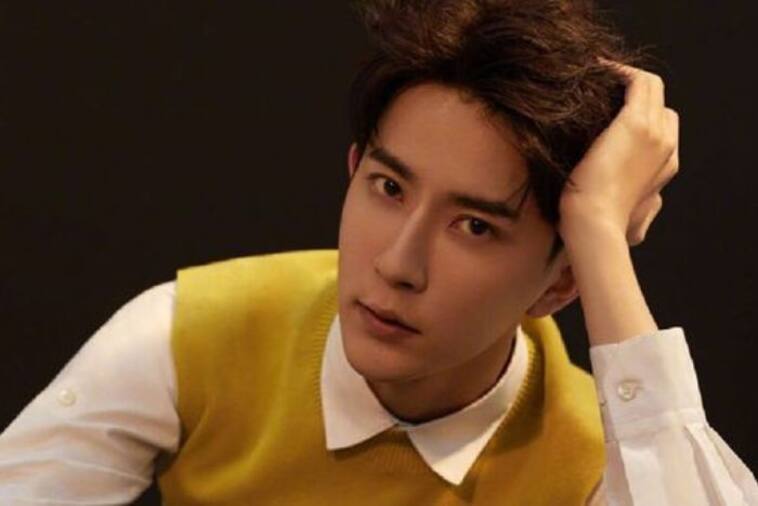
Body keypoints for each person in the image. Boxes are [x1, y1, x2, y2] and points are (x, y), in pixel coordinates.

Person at [1, 0, 756, 504]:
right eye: (390, 188)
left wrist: (596, 230)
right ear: (354, 168)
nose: (397, 264)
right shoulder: (193, 336)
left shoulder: (596, 459)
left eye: (475, 226)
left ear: (559, 287)